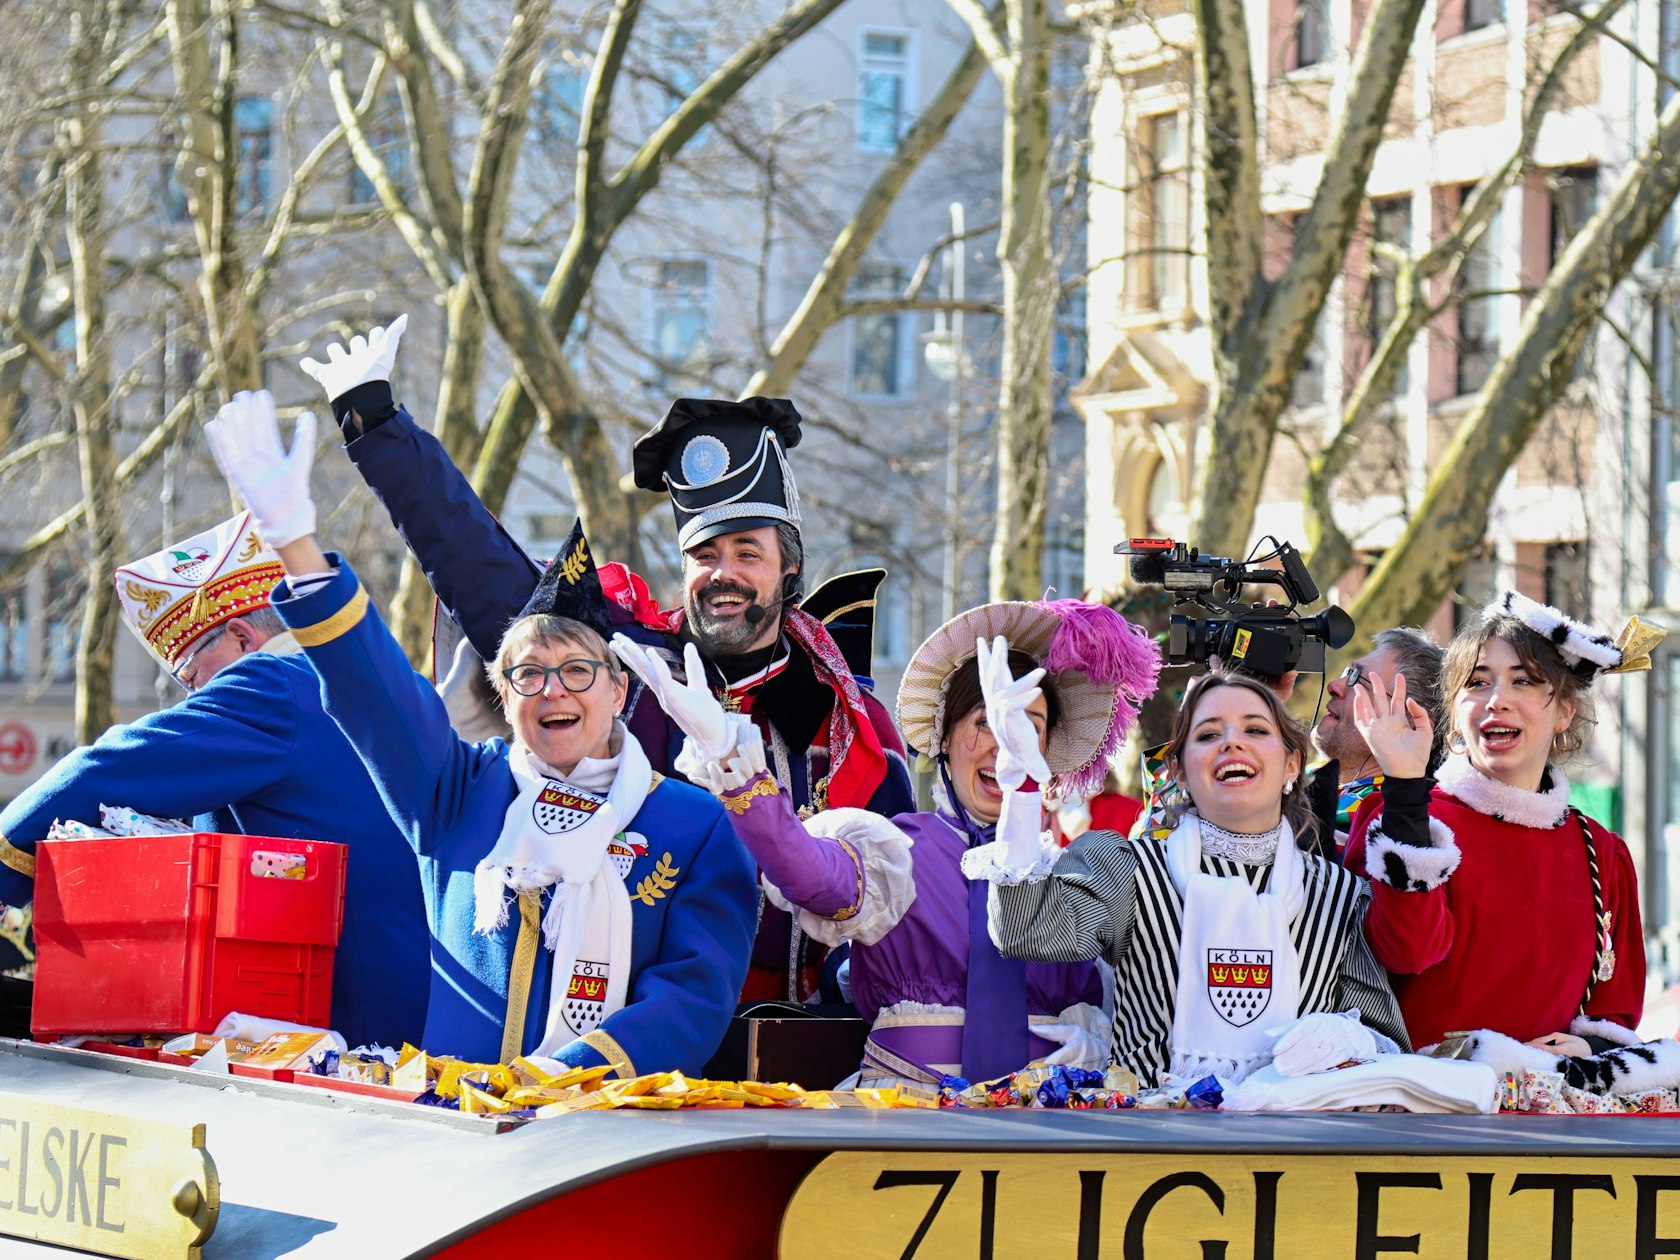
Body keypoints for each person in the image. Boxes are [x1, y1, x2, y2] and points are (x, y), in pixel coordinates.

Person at [299, 319, 913, 1001]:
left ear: (788, 566)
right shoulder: (631, 668)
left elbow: (903, 914)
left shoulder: (851, 726)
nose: (724, 574)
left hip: (806, 1051)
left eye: (747, 553)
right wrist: (378, 426)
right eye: (705, 556)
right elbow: (480, 566)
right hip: (627, 1021)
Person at [206, 392, 758, 1073]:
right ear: (504, 695)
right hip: (459, 1140)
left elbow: (693, 996)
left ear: (619, 690)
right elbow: (374, 692)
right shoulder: (457, 793)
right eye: (528, 675)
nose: (552, 690)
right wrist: (297, 546)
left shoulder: (694, 824)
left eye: (578, 671)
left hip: (611, 1139)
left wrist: (566, 1076)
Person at [617, 597, 1161, 1088]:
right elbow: (805, 871)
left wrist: (1096, 1042)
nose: (1003, 746)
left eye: (1026, 724)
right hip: (901, 1129)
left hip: (1044, 1139)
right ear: (945, 739)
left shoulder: (1079, 873)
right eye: (984, 723)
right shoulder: (896, 851)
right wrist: (731, 759)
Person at [0, 510, 429, 1048]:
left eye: (190, 677)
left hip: (328, 1032)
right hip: (408, 1016)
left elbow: (101, 772)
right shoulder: (384, 684)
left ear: (242, 638)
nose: (193, 699)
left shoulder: (272, 683)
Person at [971, 670, 1410, 1087]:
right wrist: (1024, 791)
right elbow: (1026, 931)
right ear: (1179, 771)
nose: (1232, 743)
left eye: (1255, 730)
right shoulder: (1130, 869)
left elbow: (1388, 1047)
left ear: (1293, 766)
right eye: (1208, 734)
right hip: (1152, 1148)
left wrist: (1354, 1039)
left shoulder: (1338, 895)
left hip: (1292, 1153)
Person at [1344, 592, 1663, 1060]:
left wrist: (1590, 1044)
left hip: (1548, 1120)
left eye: (1525, 682)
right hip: (1422, 1117)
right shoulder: (1401, 819)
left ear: (1565, 713)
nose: (1498, 701)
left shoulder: (1601, 850)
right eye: (1477, 682)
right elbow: (1405, 953)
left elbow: (1614, 1009)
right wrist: (1405, 789)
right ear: (1453, 709)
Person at [1313, 628, 1445, 838]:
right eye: (1347, 673)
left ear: (1413, 726)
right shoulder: (1307, 776)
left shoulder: (1384, 824)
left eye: (1358, 679)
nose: (1334, 686)